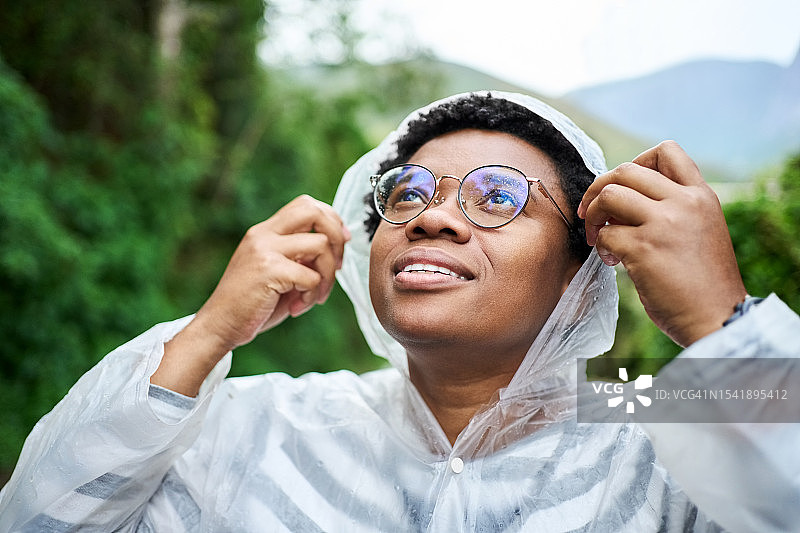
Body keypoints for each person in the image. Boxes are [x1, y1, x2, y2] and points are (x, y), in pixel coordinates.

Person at [1, 91, 798, 532]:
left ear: (580, 270)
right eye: (407, 193)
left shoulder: (663, 425)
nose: (432, 216)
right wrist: (210, 330)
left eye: (497, 196)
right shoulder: (261, 421)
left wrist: (721, 321)